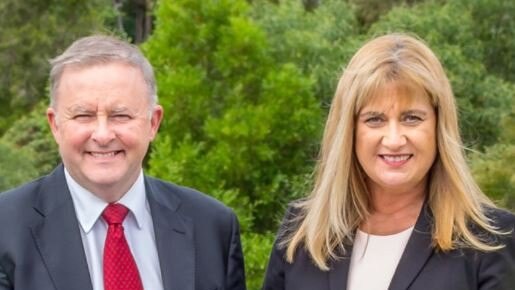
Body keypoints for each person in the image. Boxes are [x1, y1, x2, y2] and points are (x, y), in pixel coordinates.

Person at [262, 33, 515, 290]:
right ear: (349, 131)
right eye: (375, 119)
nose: (394, 140)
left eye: (412, 118)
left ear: (439, 126)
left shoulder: (492, 240)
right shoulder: (303, 232)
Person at [0, 35, 246, 290]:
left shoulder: (212, 227)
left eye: (120, 115)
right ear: (55, 125)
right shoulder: (5, 229)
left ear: (153, 122)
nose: (103, 135)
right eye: (84, 115)